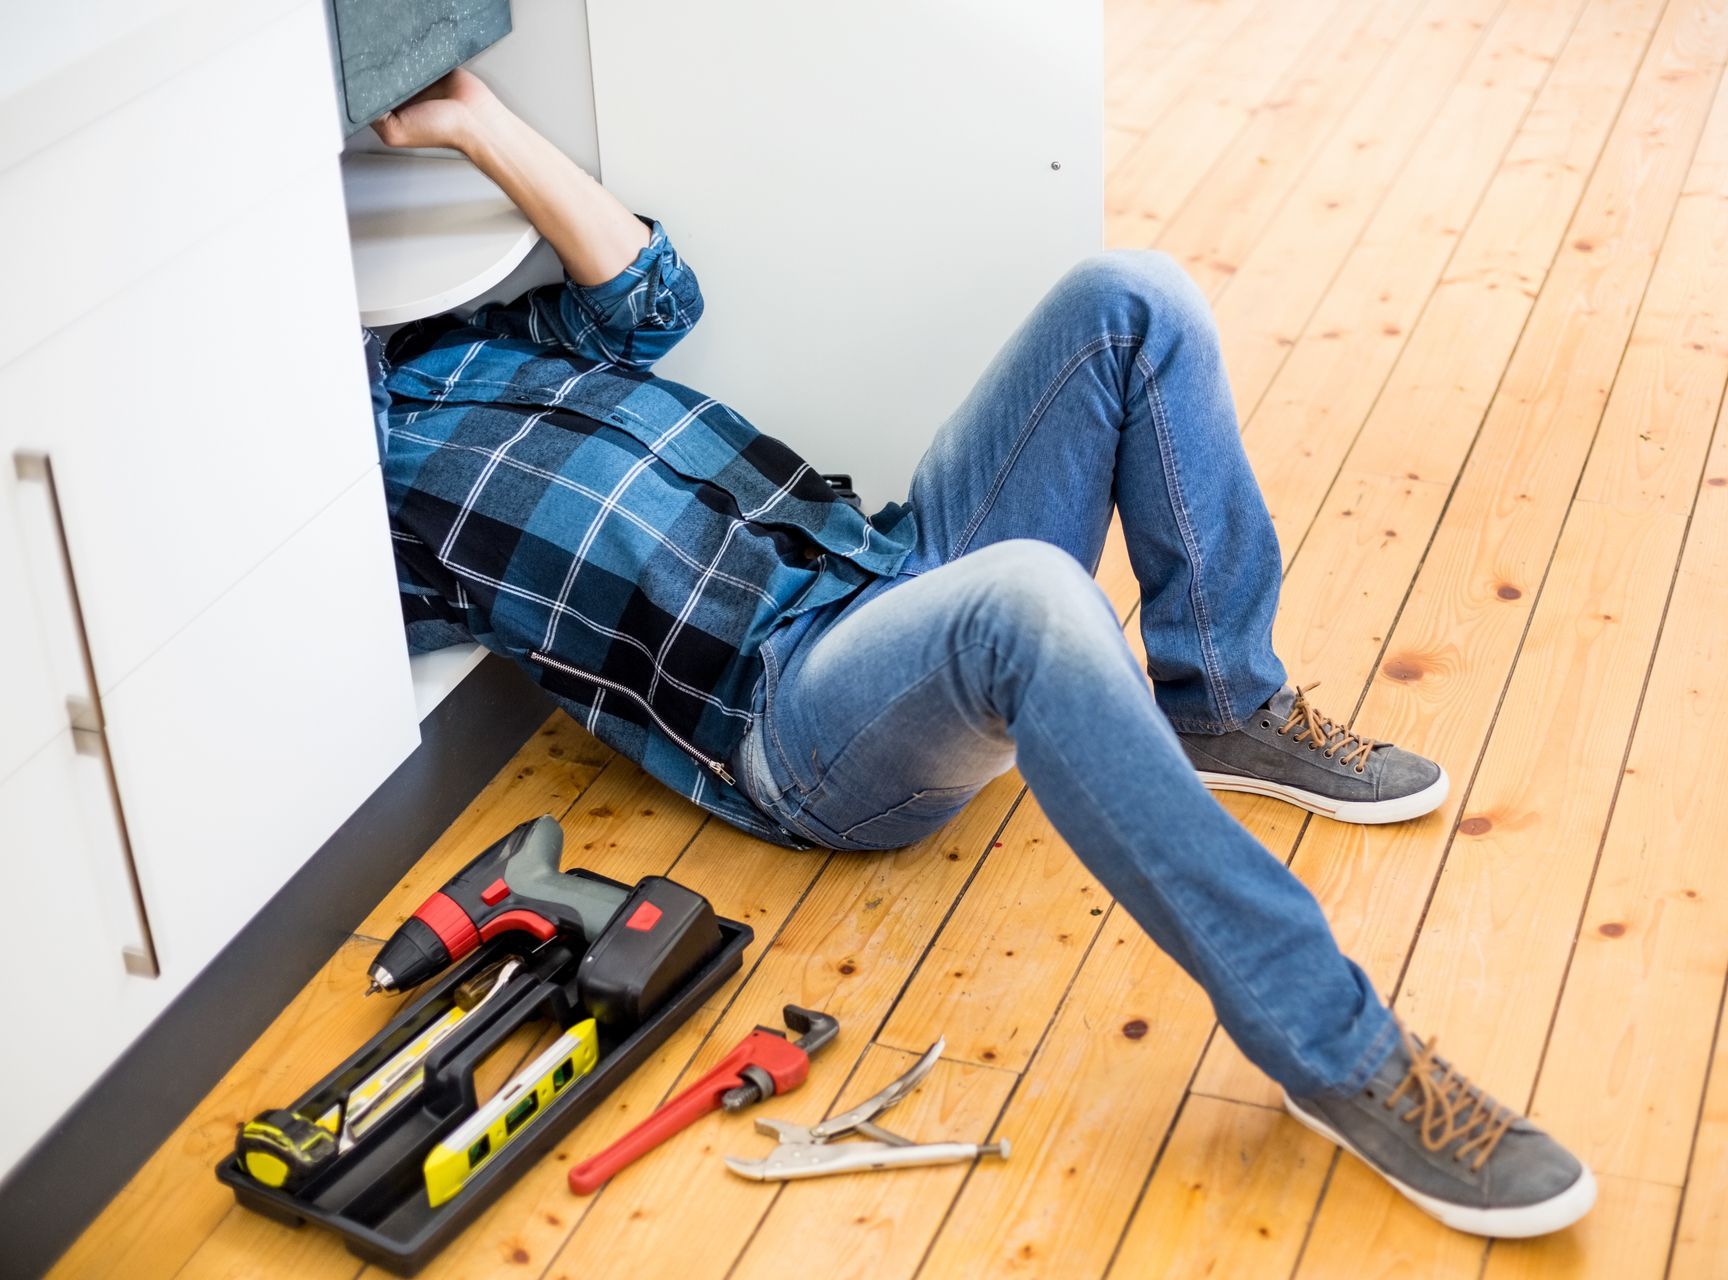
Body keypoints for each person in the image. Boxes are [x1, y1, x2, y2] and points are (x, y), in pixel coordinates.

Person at [366, 69, 1595, 1238]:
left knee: (1132, 292)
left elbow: (653, 296)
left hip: (886, 555)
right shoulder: (349, 491)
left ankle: (1220, 699)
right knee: (1033, 602)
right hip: (796, 714)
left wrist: (478, 120)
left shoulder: (467, 338)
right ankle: (1339, 1050)